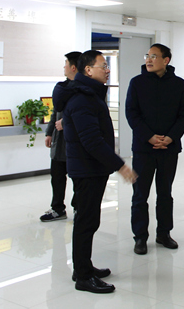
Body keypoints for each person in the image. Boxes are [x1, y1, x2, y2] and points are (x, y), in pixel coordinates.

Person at [54, 50, 137, 294]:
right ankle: (83, 276)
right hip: (86, 170)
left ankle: (84, 266)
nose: (107, 70)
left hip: (91, 168)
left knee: (88, 220)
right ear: (88, 70)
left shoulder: (89, 95)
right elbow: (91, 141)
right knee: (86, 222)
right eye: (103, 65)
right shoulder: (82, 99)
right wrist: (120, 165)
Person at [126, 43, 184, 255]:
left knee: (165, 193)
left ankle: (164, 233)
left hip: (168, 149)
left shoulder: (179, 84)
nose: (149, 59)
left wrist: (170, 138)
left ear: (166, 60)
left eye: (154, 56)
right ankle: (140, 237)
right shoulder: (137, 83)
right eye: (148, 56)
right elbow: (131, 113)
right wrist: (149, 137)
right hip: (143, 149)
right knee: (140, 195)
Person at [40, 51, 81, 222]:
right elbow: (55, 112)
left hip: (75, 140)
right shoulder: (61, 88)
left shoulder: (84, 89)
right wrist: (49, 132)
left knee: (77, 177)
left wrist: (66, 122)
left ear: (73, 67)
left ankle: (78, 207)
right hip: (59, 140)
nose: (64, 67)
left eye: (66, 64)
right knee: (57, 176)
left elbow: (83, 112)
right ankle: (57, 208)